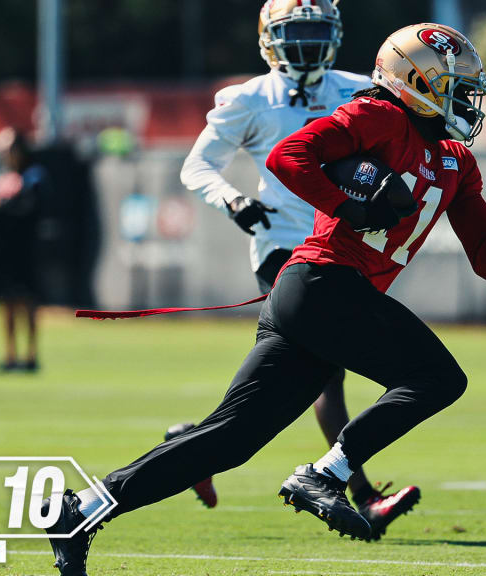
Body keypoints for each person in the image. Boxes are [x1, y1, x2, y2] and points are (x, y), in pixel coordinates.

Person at [45, 23, 486, 576]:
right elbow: (289, 156)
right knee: (438, 378)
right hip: (322, 282)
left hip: (322, 299)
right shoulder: (378, 116)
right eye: (455, 86)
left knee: (227, 440)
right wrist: (348, 208)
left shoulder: (457, 160)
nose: (466, 101)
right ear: (416, 80)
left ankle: (81, 509)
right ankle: (325, 475)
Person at [176, 0, 419, 529]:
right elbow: (198, 165)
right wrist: (233, 200)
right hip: (285, 248)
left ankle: (191, 446)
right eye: (296, 31)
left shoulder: (359, 88)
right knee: (325, 376)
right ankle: (360, 495)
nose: (307, 43)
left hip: (343, 245)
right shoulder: (248, 98)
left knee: (285, 381)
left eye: (316, 31)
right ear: (267, 37)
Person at [0, 128, 45, 372]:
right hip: (4, 251)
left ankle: (30, 355)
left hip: (25, 249)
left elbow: (30, 208)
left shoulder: (33, 176)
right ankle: (10, 356)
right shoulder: (2, 178)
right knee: (7, 302)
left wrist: (0, 208)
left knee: (27, 301)